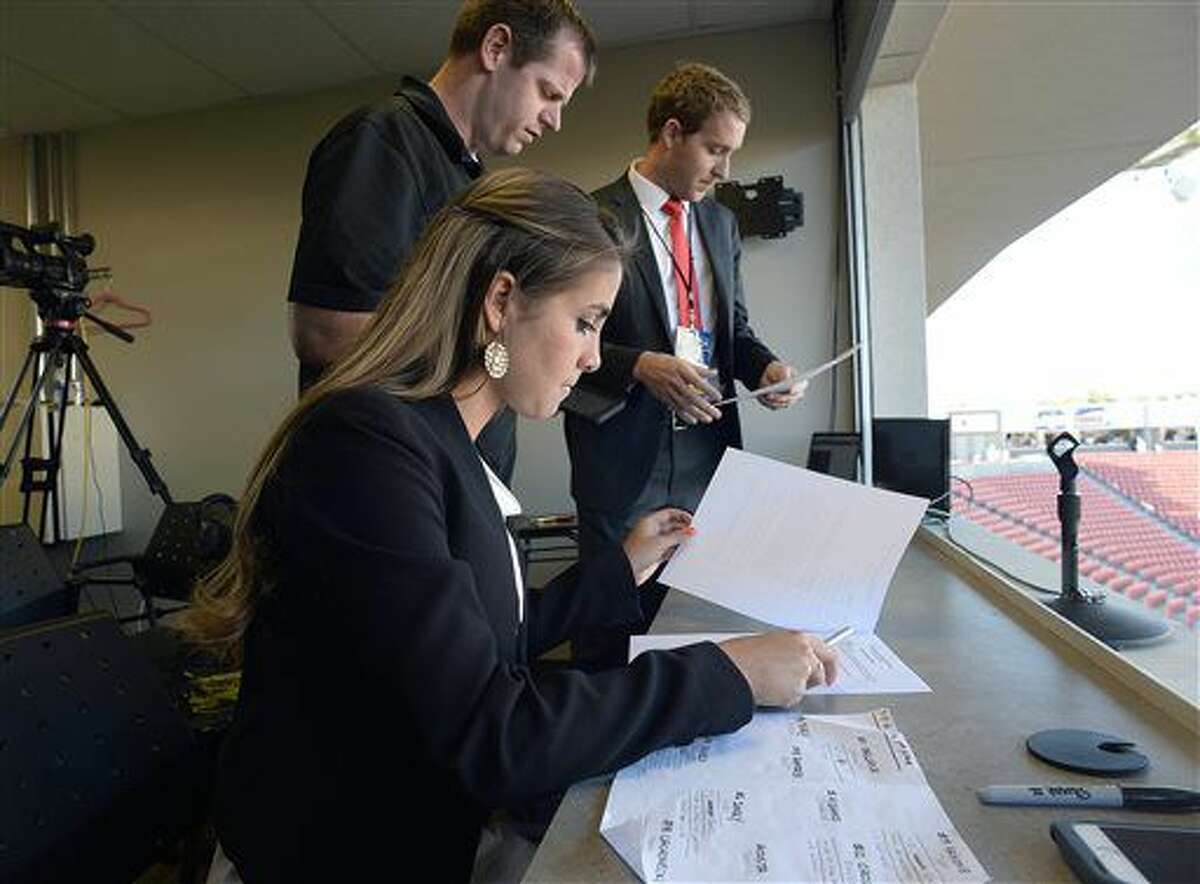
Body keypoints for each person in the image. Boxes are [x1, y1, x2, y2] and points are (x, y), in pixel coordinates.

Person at [186, 169, 838, 883]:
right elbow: (493, 732)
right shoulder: (366, 444)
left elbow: (485, 645)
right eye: (587, 322)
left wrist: (617, 570)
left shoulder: (440, 442)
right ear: (502, 301)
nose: (594, 356)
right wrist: (727, 674)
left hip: (425, 827)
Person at [287, 0, 596, 482]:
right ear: (496, 48)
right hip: (393, 472)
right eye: (548, 92)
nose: (555, 119)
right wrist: (498, 357)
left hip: (462, 475)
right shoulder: (383, 140)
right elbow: (328, 332)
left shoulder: (470, 179)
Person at [564, 62, 808, 666]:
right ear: (671, 133)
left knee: (696, 624)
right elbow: (561, 337)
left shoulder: (721, 223)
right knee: (612, 628)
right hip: (623, 458)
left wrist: (769, 369)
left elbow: (736, 334)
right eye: (715, 150)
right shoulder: (590, 216)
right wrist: (639, 364)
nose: (725, 170)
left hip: (708, 453)